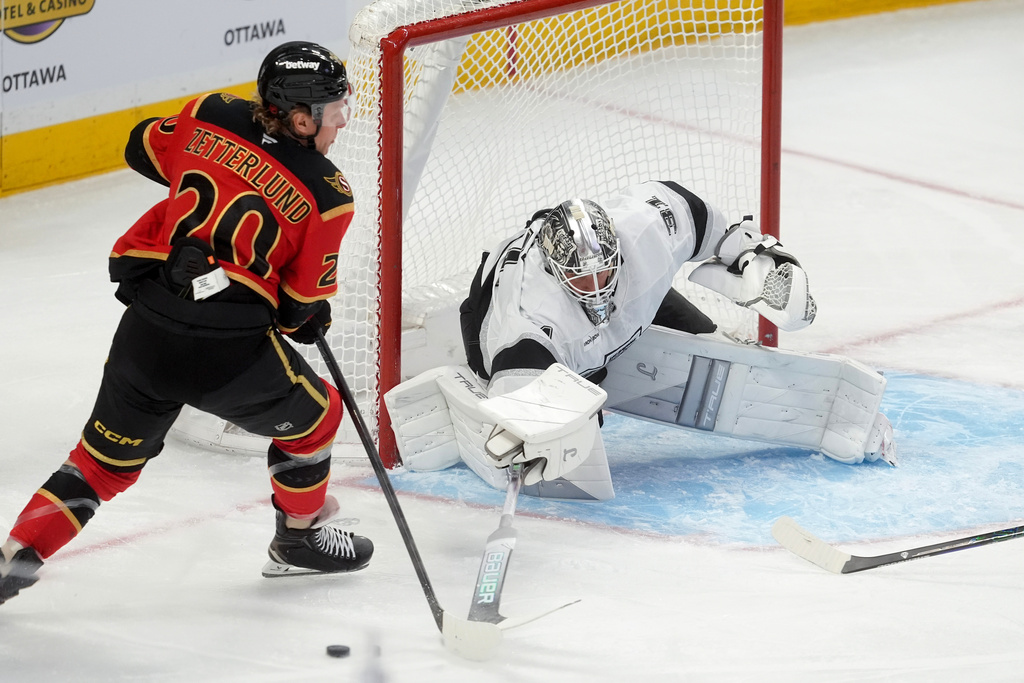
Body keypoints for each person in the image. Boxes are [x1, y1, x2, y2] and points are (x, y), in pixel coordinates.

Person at [0, 41, 373, 606]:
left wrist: (211, 172)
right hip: (231, 359)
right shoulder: (328, 195)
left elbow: (139, 146)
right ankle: (297, 542)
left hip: (147, 333)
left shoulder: (209, 113)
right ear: (300, 119)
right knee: (318, 419)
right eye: (333, 111)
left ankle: (15, 556)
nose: (340, 122)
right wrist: (306, 307)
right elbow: (298, 315)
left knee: (99, 466)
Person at [384, 182, 895, 500]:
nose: (596, 288)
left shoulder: (646, 230)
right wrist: (534, 430)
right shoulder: (525, 319)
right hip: (495, 321)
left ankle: (619, 351)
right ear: (558, 274)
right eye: (582, 281)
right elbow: (524, 409)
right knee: (561, 424)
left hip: (622, 308)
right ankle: (484, 381)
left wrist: (750, 255)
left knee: (715, 346)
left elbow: (703, 220)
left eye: (605, 272)